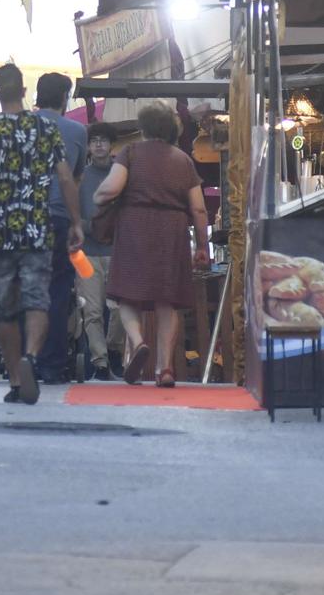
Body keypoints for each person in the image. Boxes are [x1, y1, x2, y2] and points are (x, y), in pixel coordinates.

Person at [0, 64, 81, 405]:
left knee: (5, 305)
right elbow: (64, 177)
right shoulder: (44, 128)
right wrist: (75, 221)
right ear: (25, 92)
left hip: (1, 228)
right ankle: (31, 355)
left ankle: (16, 379)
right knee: (37, 299)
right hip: (37, 226)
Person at [92, 103, 206, 388]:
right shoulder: (184, 161)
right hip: (173, 230)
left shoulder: (131, 153)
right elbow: (200, 209)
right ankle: (164, 368)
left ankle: (139, 341)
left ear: (144, 128)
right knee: (167, 301)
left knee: (126, 295)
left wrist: (97, 196)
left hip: (135, 226)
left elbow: (113, 188)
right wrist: (202, 245)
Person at [33, 73, 88, 384]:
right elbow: (73, 180)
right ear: (65, 96)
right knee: (56, 290)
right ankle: (51, 364)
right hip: (56, 217)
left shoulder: (19, 126)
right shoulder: (76, 131)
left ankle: (21, 361)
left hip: (20, 218)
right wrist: (76, 222)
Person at [74, 121, 123, 380]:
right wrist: (88, 226)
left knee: (118, 308)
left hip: (117, 251)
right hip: (85, 253)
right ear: (89, 147)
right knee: (91, 310)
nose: (99, 144)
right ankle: (100, 362)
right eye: (94, 141)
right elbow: (73, 213)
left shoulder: (122, 173)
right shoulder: (80, 176)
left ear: (111, 143)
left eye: (104, 140)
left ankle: (114, 351)